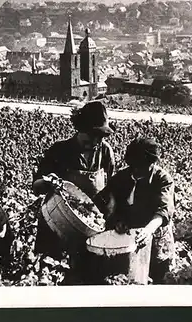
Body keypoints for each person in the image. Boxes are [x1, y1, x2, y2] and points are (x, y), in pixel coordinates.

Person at [32, 100, 115, 283]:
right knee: (51, 272)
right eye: (91, 136)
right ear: (80, 130)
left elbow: (110, 188)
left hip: (88, 226)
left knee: (83, 277)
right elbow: (36, 185)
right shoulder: (60, 151)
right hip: (57, 223)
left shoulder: (105, 152)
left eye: (100, 137)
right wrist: (48, 182)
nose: (95, 142)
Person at [95, 137, 175, 285]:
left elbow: (164, 210)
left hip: (156, 236)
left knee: (157, 277)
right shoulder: (120, 178)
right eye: (134, 167)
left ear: (152, 163)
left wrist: (148, 230)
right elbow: (106, 204)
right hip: (127, 239)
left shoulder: (162, 179)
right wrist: (117, 220)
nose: (137, 171)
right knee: (126, 279)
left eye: (142, 167)